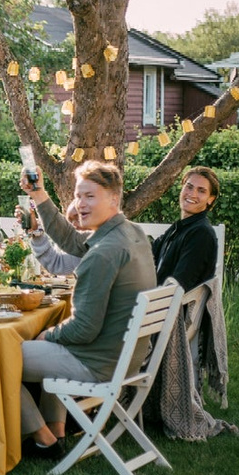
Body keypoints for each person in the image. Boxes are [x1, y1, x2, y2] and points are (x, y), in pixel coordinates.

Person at [16, 161, 156, 458]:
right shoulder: (131, 233)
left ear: (114, 199)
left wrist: (48, 335)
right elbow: (70, 240)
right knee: (38, 344)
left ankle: (43, 438)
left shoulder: (105, 252)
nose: (80, 204)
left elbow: (83, 328)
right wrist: (40, 195)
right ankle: (56, 432)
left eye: (89, 196)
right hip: (126, 360)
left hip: (97, 363)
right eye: (78, 196)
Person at [151, 166, 219, 290]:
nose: (192, 194)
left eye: (201, 191)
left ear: (210, 199)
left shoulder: (201, 233)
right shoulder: (179, 228)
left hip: (170, 307)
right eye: (189, 186)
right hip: (157, 301)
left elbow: (180, 284)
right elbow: (148, 253)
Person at [17, 200, 84, 276]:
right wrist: (36, 232)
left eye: (79, 219)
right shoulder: (81, 246)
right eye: (71, 221)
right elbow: (57, 264)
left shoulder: (95, 244)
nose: (74, 225)